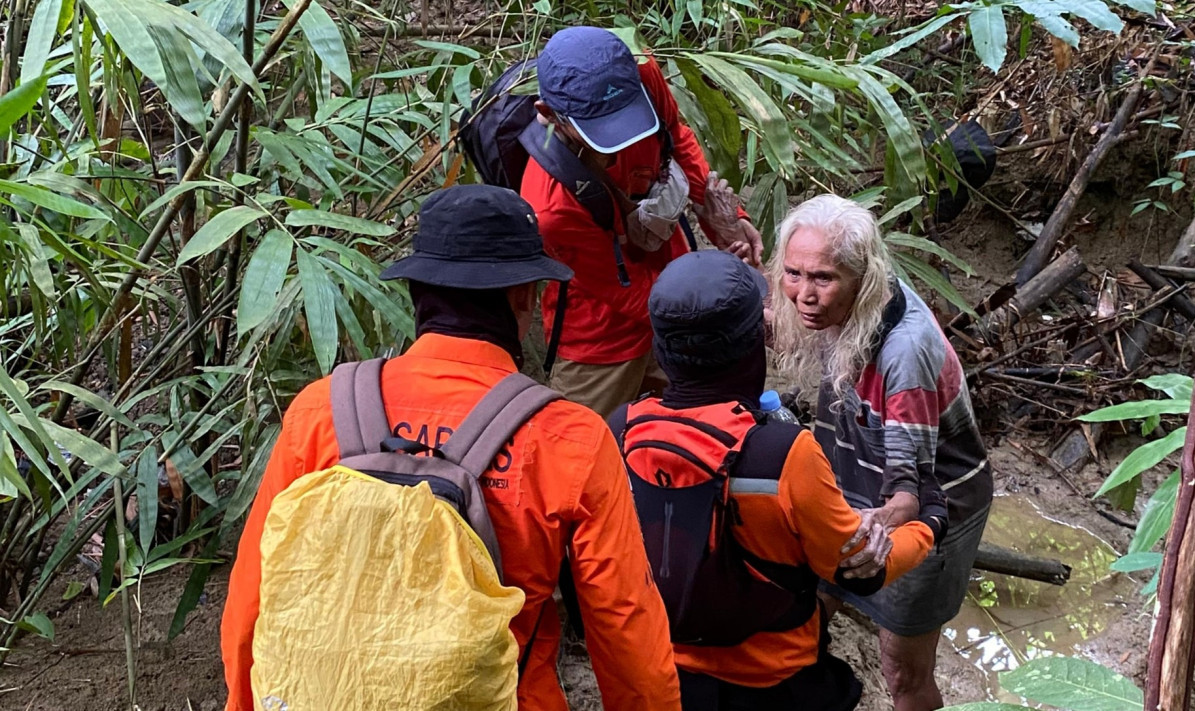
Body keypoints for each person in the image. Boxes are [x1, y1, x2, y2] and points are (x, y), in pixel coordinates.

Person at [220, 185, 681, 711]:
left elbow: (253, 595)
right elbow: (625, 627)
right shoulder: (568, 437)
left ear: (417, 293)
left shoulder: (322, 410)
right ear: (522, 298)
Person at [608, 250, 940, 710]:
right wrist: (929, 523)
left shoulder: (620, 429)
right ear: (751, 346)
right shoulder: (783, 453)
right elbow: (857, 568)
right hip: (769, 679)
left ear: (661, 348)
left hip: (664, 666)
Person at [768, 195, 994, 711]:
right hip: (854, 481)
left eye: (822, 278)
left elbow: (907, 495)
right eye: (793, 274)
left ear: (862, 278)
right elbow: (773, 323)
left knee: (902, 670)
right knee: (805, 616)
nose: (804, 294)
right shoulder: (840, 306)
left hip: (930, 510)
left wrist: (860, 528)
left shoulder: (904, 353)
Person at [523, 25, 763, 418]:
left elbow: (674, 136)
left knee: (712, 428)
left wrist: (723, 217)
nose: (624, 143)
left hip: (671, 275)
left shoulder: (642, 73)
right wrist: (715, 311)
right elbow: (625, 292)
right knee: (582, 448)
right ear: (549, 116)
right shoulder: (551, 207)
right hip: (602, 336)